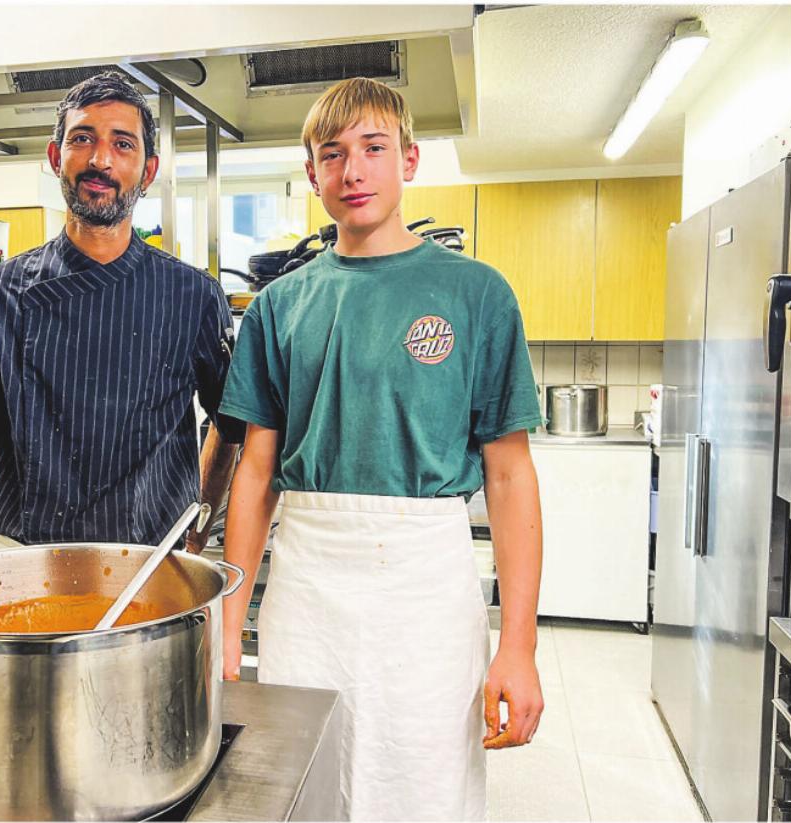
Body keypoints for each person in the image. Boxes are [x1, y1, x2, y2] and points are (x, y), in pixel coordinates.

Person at [218, 77, 545, 821]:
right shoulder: (277, 308)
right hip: (308, 586)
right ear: (311, 174)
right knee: (306, 781)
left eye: (372, 148)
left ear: (410, 159)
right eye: (331, 155)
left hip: (426, 587)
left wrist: (518, 645)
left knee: (423, 783)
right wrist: (230, 622)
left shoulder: (477, 294)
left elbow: (510, 472)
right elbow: (257, 473)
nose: (353, 171)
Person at [0, 71, 242, 556]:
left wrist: (197, 526)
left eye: (122, 144)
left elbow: (229, 423)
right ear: (56, 158)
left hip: (150, 564)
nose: (100, 160)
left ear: (148, 170)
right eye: (82, 139)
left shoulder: (193, 295)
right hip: (21, 560)